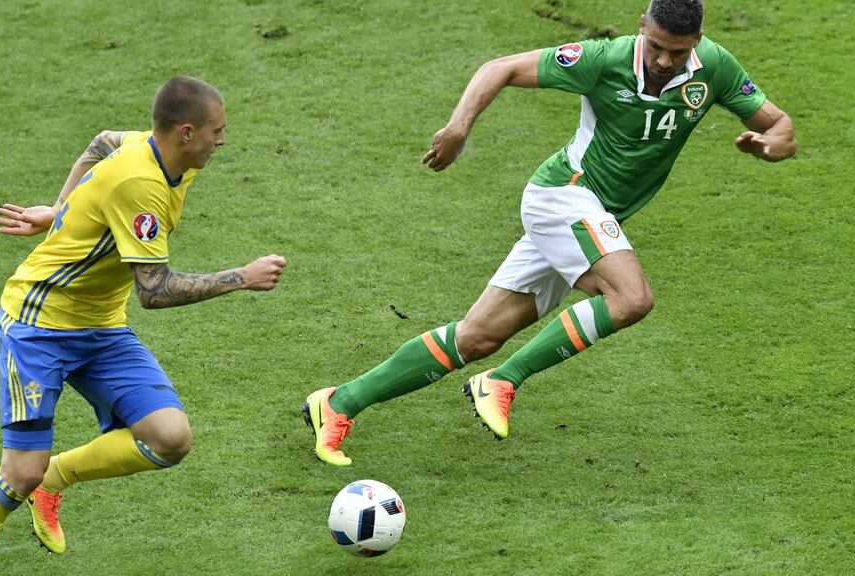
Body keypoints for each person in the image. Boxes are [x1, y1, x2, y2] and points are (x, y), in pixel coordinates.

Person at [303, 0, 796, 466]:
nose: (666, 60)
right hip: (565, 195)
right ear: (642, 25)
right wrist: (458, 128)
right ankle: (502, 380)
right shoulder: (602, 59)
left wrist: (769, 147)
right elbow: (499, 67)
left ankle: (339, 403)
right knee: (631, 297)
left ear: (698, 41)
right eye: (658, 46)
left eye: (679, 51)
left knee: (476, 337)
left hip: (594, 216)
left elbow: (780, 127)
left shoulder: (715, 68)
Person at [0, 76, 287, 575]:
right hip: (39, 325)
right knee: (19, 472)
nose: (221, 141)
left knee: (170, 438)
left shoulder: (158, 149)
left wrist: (61, 210)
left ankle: (56, 480)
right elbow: (155, 291)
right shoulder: (140, 184)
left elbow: (103, 140)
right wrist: (240, 278)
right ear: (185, 132)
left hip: (98, 326)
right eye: (216, 131)